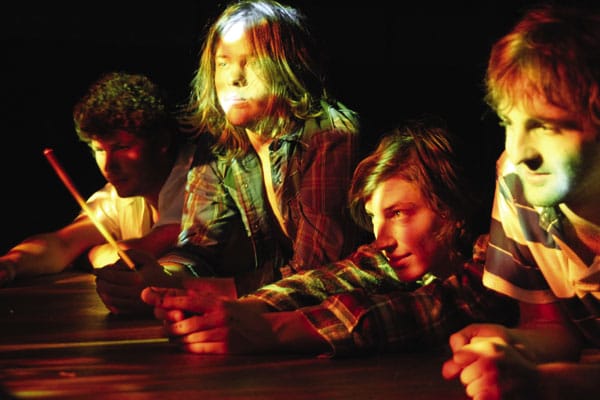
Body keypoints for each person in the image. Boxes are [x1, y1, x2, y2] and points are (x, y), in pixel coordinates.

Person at [140, 117, 518, 356]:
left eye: (399, 213)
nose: (382, 238)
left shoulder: (498, 254)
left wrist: (273, 330)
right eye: (374, 217)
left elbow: (433, 310)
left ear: (451, 205)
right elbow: (329, 278)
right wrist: (247, 309)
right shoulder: (396, 254)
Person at [122, 0, 360, 297]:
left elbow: (318, 272)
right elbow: (198, 248)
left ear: (288, 67)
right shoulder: (220, 142)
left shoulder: (330, 135)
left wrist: (186, 287)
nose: (234, 78)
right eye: (223, 63)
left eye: (254, 61)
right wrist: (160, 275)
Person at [439, 4, 600, 399]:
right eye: (508, 123)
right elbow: (552, 326)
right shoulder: (517, 180)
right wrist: (514, 343)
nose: (520, 151)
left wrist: (550, 383)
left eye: (544, 126)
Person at [0, 72, 195, 314]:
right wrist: (10, 264)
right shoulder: (121, 192)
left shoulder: (199, 181)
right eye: (99, 150)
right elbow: (63, 243)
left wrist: (90, 253)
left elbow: (145, 251)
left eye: (121, 147)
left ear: (162, 142)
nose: (108, 165)